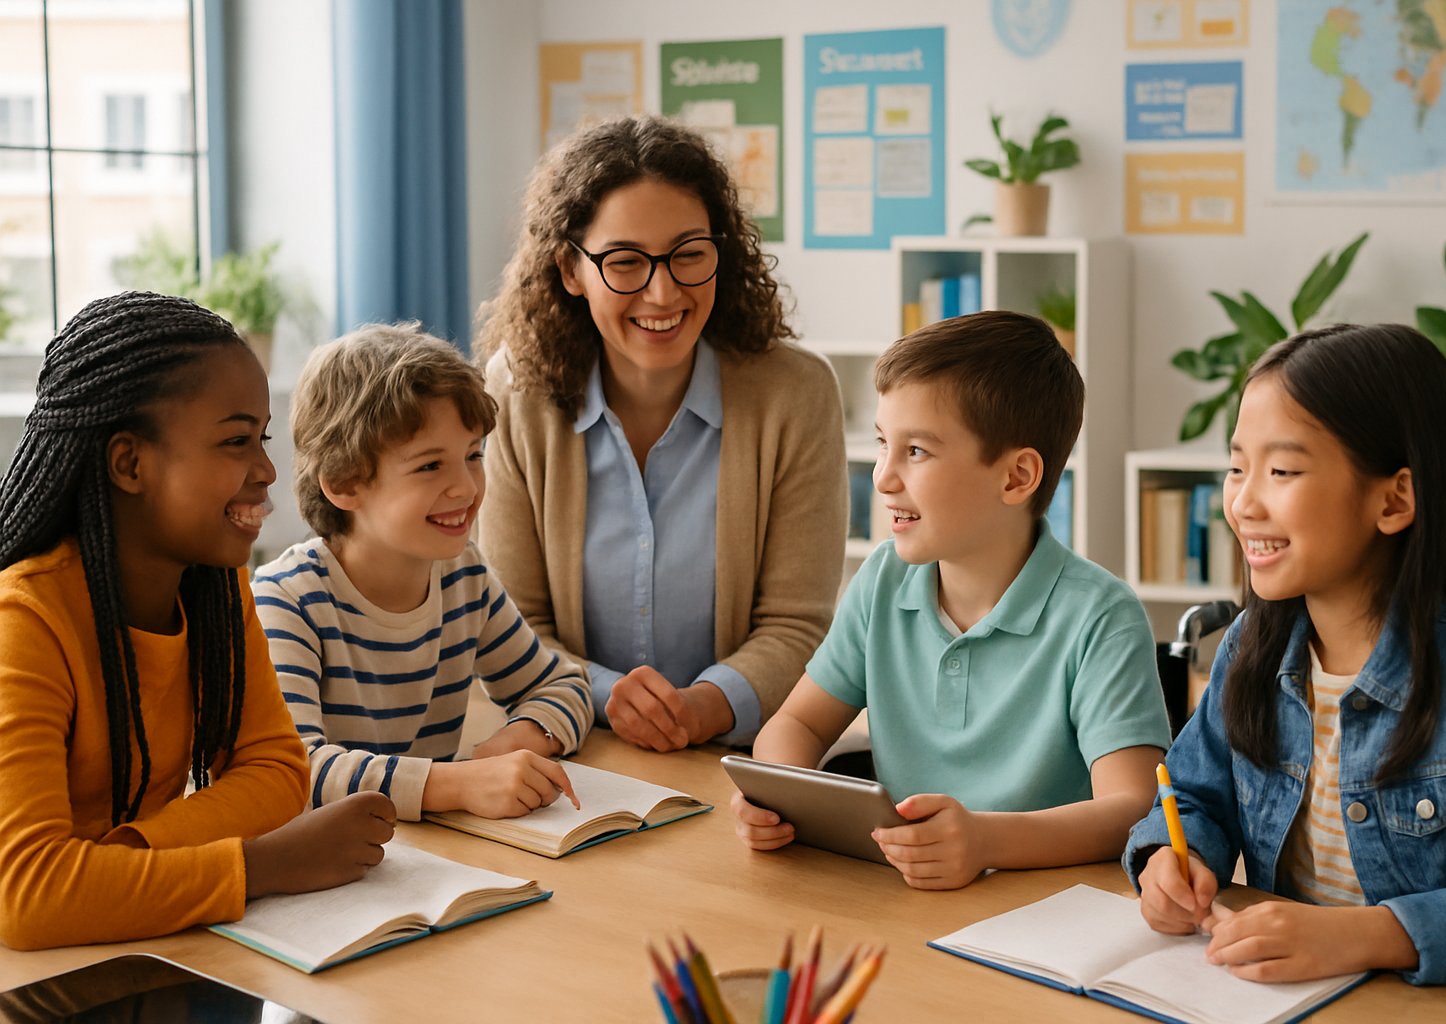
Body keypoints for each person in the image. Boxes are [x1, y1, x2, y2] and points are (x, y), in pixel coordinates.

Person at [1125, 323, 1446, 986]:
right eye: (1237, 467)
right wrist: (1172, 862)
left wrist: (1366, 936)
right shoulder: (1249, 648)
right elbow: (1192, 796)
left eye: (1282, 471)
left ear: (1394, 499)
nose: (1243, 503)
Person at [0, 292, 393, 951]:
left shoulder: (214, 587)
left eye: (263, 438)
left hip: (125, 938)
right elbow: (28, 897)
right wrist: (263, 866)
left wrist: (121, 862)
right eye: (236, 441)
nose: (267, 470)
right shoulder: (24, 619)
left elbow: (276, 768)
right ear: (130, 464)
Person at [731, 311, 1171, 890]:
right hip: (905, 898)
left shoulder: (1102, 618)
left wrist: (985, 840)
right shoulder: (882, 580)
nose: (883, 477)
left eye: (916, 451)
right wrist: (777, 794)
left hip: (1040, 911)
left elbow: (1133, 808)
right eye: (884, 443)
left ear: (1016, 478)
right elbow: (798, 722)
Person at [475, 115, 847, 751]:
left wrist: (704, 707)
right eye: (625, 261)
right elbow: (511, 626)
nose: (663, 291)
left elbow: (798, 626)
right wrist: (605, 695)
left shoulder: (798, 393)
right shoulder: (513, 394)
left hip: (740, 756)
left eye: (689, 254)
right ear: (570, 270)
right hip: (576, 749)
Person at [254, 324, 593, 823]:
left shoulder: (463, 577)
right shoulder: (287, 603)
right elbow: (292, 772)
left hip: (434, 852)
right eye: (430, 466)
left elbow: (563, 685)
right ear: (345, 483)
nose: (466, 488)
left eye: (473, 455)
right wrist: (457, 784)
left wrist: (518, 739)